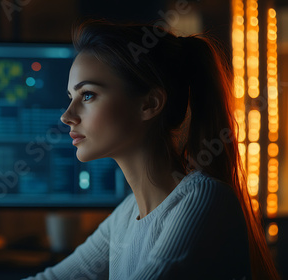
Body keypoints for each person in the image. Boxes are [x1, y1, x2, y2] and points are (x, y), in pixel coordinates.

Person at [24, 19, 279, 280]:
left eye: (87, 95)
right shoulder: (127, 214)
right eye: (71, 98)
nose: (67, 116)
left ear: (150, 104)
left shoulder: (204, 199)